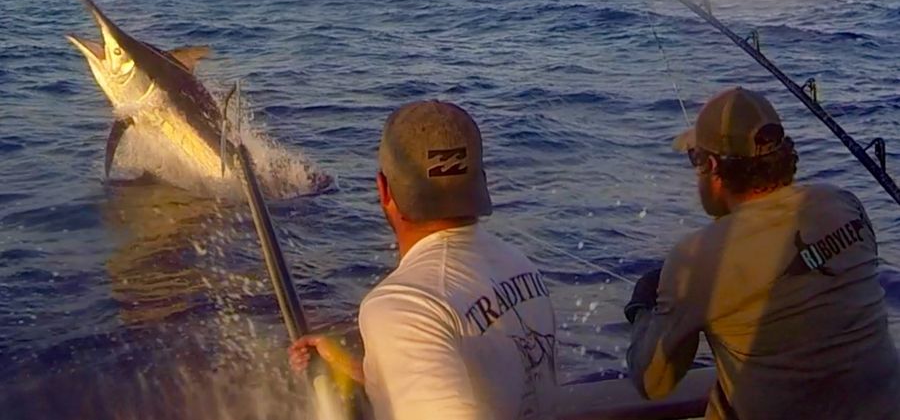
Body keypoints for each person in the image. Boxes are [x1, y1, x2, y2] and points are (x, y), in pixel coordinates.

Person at [624, 87, 900, 419]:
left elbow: (653, 382)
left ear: (711, 166)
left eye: (695, 158)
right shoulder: (843, 203)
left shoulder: (696, 257)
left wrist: (643, 307)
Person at [289, 100, 558, 419]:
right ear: (482, 182)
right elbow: (486, 384)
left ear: (383, 190)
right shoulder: (520, 266)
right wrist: (362, 370)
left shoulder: (403, 306)